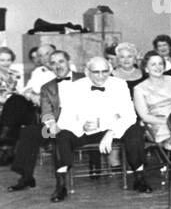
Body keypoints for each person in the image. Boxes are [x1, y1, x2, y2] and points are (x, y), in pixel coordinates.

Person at [51, 57, 151, 200]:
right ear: (87, 72)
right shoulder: (73, 87)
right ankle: (60, 185)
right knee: (61, 135)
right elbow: (65, 119)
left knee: (134, 130)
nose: (100, 76)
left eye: (105, 71)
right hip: (85, 131)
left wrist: (111, 132)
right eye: (96, 72)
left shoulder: (120, 85)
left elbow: (129, 115)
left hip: (113, 129)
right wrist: (81, 125)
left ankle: (140, 178)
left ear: (110, 71)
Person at [6, 50, 77, 192]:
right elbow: (46, 112)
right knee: (29, 132)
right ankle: (26, 177)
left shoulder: (84, 79)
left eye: (61, 61)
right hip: (55, 125)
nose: (57, 66)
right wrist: (52, 125)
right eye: (53, 63)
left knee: (60, 138)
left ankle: (61, 185)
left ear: (69, 62)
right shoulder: (47, 86)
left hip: (78, 127)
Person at [132, 51, 171, 149]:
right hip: (157, 123)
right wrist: (168, 122)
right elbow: (145, 116)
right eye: (153, 64)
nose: (158, 67)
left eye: (160, 64)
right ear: (146, 69)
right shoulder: (139, 89)